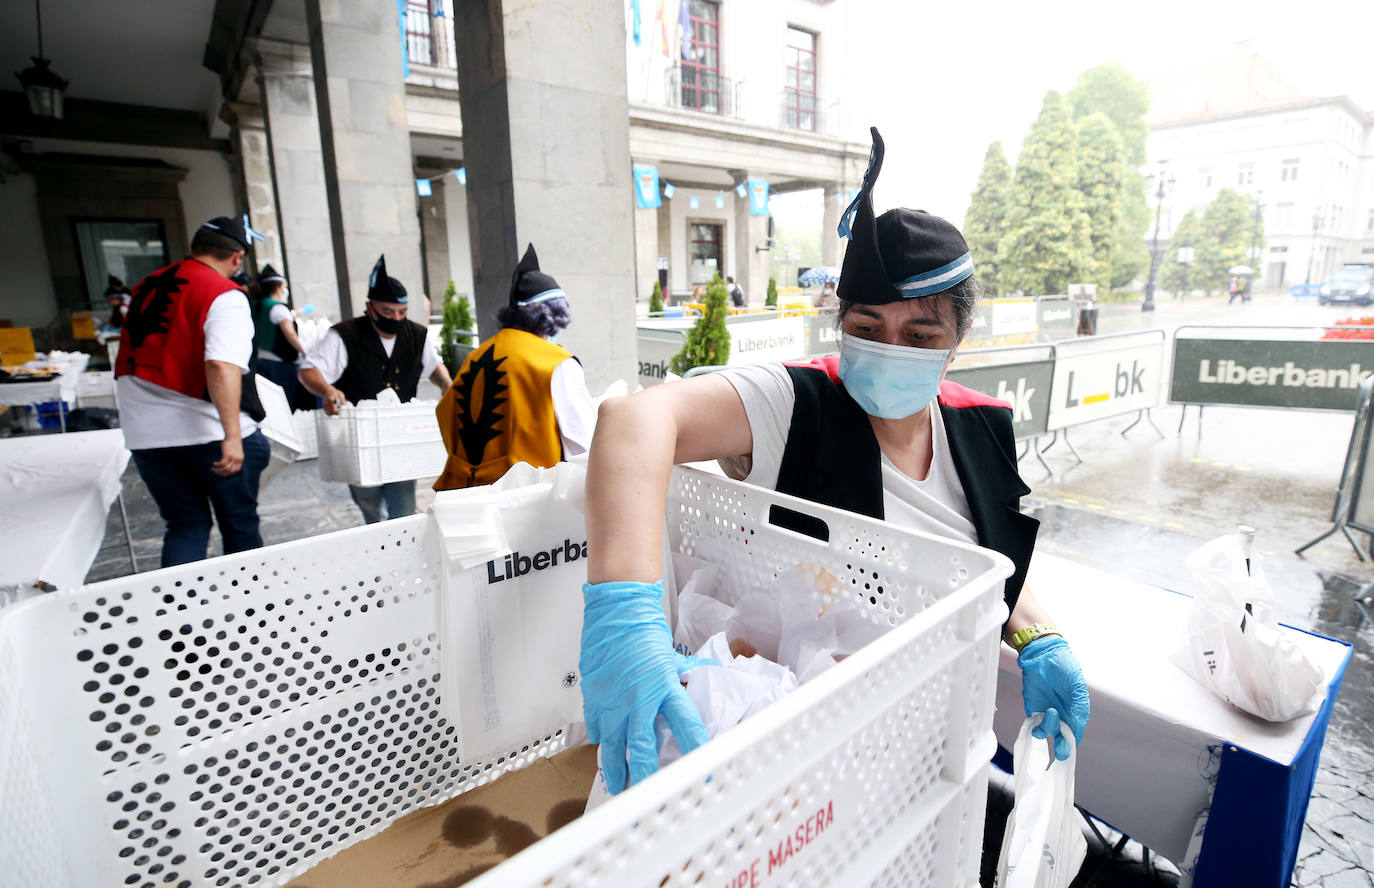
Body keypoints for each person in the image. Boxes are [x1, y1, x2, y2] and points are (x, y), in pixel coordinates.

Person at [578, 128, 1091, 795]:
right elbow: (632, 421)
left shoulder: (979, 427)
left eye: (920, 334)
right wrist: (626, 612)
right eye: (867, 327)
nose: (889, 346)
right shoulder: (798, 403)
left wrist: (1038, 638)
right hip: (787, 750)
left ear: (958, 342)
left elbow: (983, 558)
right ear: (841, 324)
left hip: (910, 746)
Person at [114, 214, 270, 566]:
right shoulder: (222, 293)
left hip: (147, 434)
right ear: (236, 258)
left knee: (185, 525)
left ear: (195, 248)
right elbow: (221, 364)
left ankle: (182, 618)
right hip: (205, 430)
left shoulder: (145, 286)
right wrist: (232, 435)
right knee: (240, 525)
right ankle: (251, 612)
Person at [297, 254, 453, 523]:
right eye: (387, 313)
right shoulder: (344, 335)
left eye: (401, 313)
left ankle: (399, 546)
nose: (395, 319)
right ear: (370, 308)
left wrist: (449, 387)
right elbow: (308, 370)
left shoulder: (416, 334)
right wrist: (326, 390)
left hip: (400, 435)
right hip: (361, 437)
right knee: (367, 501)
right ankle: (374, 533)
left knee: (403, 502)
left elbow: (435, 367)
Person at [433, 244, 595, 489]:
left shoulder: (476, 356)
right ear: (553, 317)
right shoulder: (556, 363)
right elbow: (583, 444)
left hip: (466, 493)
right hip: (528, 497)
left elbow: (446, 411)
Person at [248, 264, 306, 402]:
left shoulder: (255, 304)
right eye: (284, 287)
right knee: (284, 403)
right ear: (277, 287)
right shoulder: (278, 308)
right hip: (279, 364)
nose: (285, 290)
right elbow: (290, 335)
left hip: (258, 360)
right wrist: (305, 352)